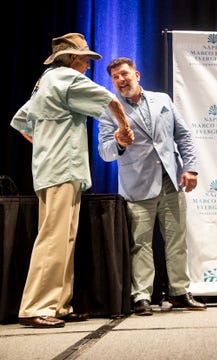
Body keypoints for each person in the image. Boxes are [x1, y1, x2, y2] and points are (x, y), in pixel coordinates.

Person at [10, 33, 134, 328]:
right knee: (54, 238)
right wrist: (125, 129)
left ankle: (58, 305)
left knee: (62, 237)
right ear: (70, 59)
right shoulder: (66, 76)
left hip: (50, 168)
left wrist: (45, 144)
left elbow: (20, 121)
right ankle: (35, 306)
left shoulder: (44, 81)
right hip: (62, 167)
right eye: (85, 59)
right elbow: (110, 99)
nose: (88, 66)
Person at [97, 57, 206, 316]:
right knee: (141, 244)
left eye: (124, 74)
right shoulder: (108, 110)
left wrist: (190, 168)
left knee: (177, 241)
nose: (121, 80)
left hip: (170, 182)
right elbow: (104, 152)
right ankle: (142, 296)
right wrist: (120, 143)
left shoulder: (163, 100)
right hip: (137, 187)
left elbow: (183, 135)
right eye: (115, 78)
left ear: (137, 74)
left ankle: (179, 292)